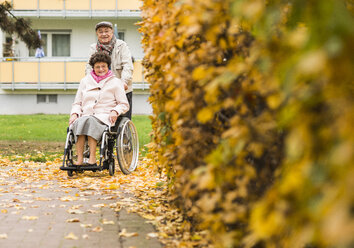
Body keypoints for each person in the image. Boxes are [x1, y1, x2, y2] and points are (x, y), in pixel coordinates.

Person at [70, 52, 129, 166]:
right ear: (93, 68)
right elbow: (77, 102)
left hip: (104, 117)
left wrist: (115, 111)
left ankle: (92, 158)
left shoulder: (116, 82)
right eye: (98, 67)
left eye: (104, 66)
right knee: (79, 122)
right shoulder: (85, 81)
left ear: (108, 67)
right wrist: (74, 114)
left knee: (90, 121)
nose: (101, 69)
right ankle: (80, 159)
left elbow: (124, 104)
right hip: (85, 115)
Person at [85, 21, 134, 119]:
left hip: (122, 88)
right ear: (97, 34)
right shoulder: (93, 48)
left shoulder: (122, 46)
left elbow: (127, 66)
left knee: (122, 119)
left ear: (112, 32)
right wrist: (90, 83)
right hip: (102, 90)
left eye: (106, 31)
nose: (104, 34)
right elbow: (89, 68)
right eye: (100, 32)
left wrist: (123, 82)